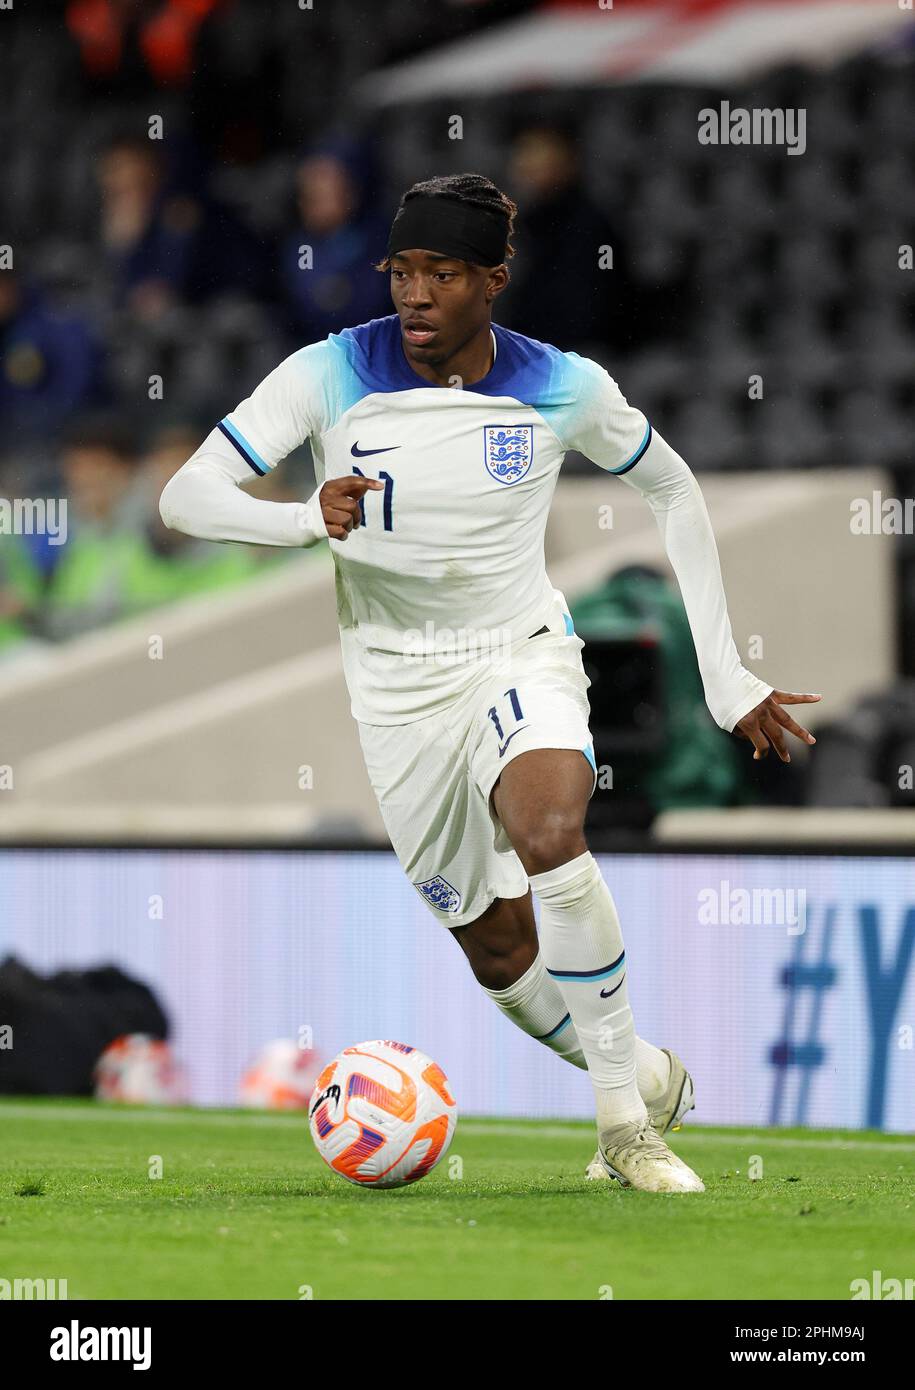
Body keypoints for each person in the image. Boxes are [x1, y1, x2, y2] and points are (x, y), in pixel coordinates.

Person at [159, 173, 820, 1193]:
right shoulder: (329, 371)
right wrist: (300, 519)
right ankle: (643, 1072)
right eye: (402, 270)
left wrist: (727, 677)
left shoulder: (564, 385)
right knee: (498, 949)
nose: (415, 293)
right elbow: (187, 494)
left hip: (518, 649)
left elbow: (673, 488)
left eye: (441, 273)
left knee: (553, 831)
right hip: (394, 688)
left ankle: (622, 1129)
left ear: (493, 282)